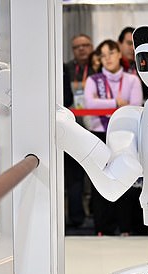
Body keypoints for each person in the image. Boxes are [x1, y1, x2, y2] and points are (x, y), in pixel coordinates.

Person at [84, 39, 143, 235]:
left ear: (119, 54)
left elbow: (134, 105)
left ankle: (126, 226)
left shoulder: (132, 79)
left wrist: (112, 105)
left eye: (111, 53)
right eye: (103, 55)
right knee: (100, 179)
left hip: (123, 135)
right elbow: (89, 104)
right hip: (99, 133)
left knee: (125, 178)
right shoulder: (94, 80)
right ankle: (103, 227)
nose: (107, 58)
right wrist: (115, 101)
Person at [63, 34, 95, 230]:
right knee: (74, 177)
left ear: (91, 46)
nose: (82, 49)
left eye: (85, 45)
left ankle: (96, 215)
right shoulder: (65, 69)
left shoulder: (99, 67)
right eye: (77, 47)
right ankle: (76, 218)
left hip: (97, 125)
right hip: (74, 126)